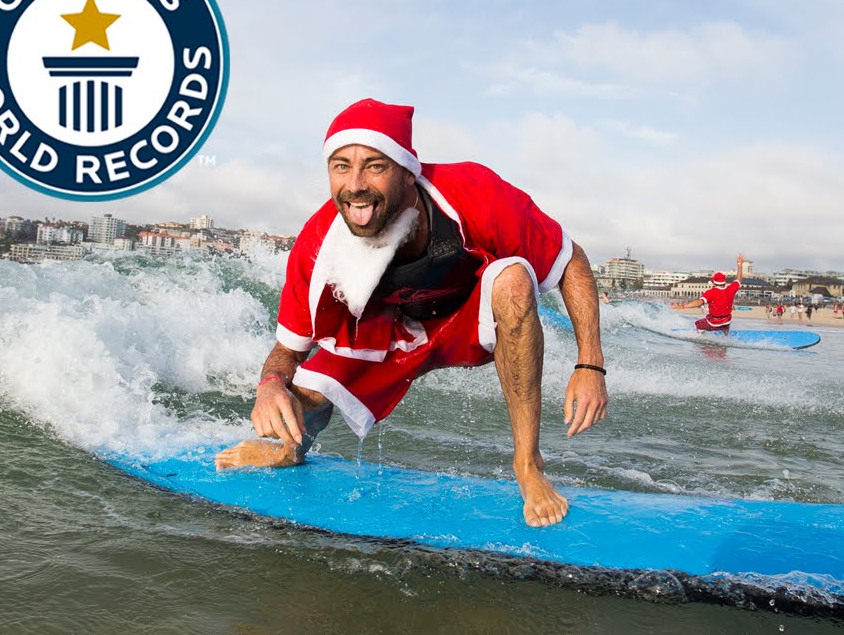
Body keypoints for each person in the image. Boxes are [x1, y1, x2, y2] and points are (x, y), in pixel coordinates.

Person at [214, 98, 608, 528]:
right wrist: (270, 385)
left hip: (466, 322)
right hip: (388, 339)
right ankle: (290, 448)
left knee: (513, 280)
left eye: (375, 166)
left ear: (407, 170)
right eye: (341, 166)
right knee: (299, 391)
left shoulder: (472, 192)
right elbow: (286, 352)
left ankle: (528, 464)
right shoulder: (317, 246)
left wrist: (590, 364)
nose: (356, 185)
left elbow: (570, 260)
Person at [672, 254, 745, 333]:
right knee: (725, 325)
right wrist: (740, 265)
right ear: (724, 282)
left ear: (714, 283)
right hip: (727, 321)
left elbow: (699, 302)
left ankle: (699, 339)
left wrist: (682, 306)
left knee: (698, 324)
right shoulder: (731, 289)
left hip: (714, 323)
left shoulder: (711, 292)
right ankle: (726, 337)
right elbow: (739, 279)